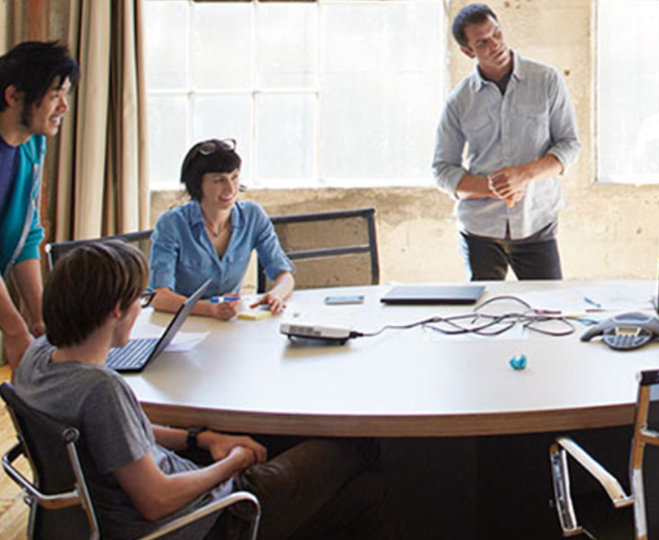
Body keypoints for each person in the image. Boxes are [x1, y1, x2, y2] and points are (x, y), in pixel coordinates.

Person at [14, 241, 394, 539]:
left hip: (140, 502)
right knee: (359, 448)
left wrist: (202, 438)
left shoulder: (38, 356)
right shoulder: (101, 391)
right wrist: (231, 463)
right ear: (117, 309)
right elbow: (156, 500)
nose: (139, 309)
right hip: (202, 520)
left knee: (354, 487)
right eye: (139, 301)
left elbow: (122, 436)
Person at [432, 4, 580, 281]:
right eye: (483, 42)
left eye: (497, 33)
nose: (496, 44)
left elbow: (569, 145)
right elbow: (442, 170)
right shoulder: (459, 100)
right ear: (468, 51)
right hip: (479, 231)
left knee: (548, 314)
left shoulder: (546, 80)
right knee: (486, 315)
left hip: (537, 221)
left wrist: (523, 175)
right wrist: (490, 188)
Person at [0, 41, 78, 378]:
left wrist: (39, 317)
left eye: (67, 94)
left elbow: (27, 232)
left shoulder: (32, 144)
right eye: (54, 94)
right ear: (13, 96)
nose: (63, 106)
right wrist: (15, 331)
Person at [149, 139, 295, 320]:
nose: (230, 188)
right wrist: (208, 309)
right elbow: (159, 297)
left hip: (228, 321)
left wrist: (276, 294)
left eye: (234, 177)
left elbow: (284, 275)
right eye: (219, 180)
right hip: (180, 322)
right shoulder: (172, 223)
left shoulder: (253, 215)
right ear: (197, 184)